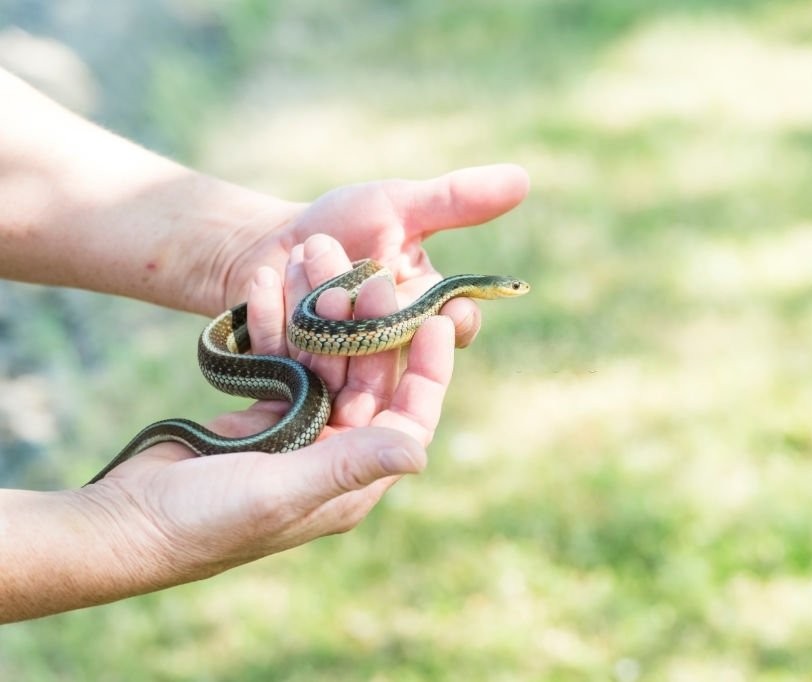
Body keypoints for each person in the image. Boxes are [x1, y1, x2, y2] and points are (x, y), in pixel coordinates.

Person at [0, 67, 530, 622]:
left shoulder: (413, 300)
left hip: (317, 327)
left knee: (316, 362)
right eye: (512, 287)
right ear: (488, 289)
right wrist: (125, 528)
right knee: (312, 358)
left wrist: (247, 246)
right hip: (301, 337)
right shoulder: (403, 301)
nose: (515, 291)